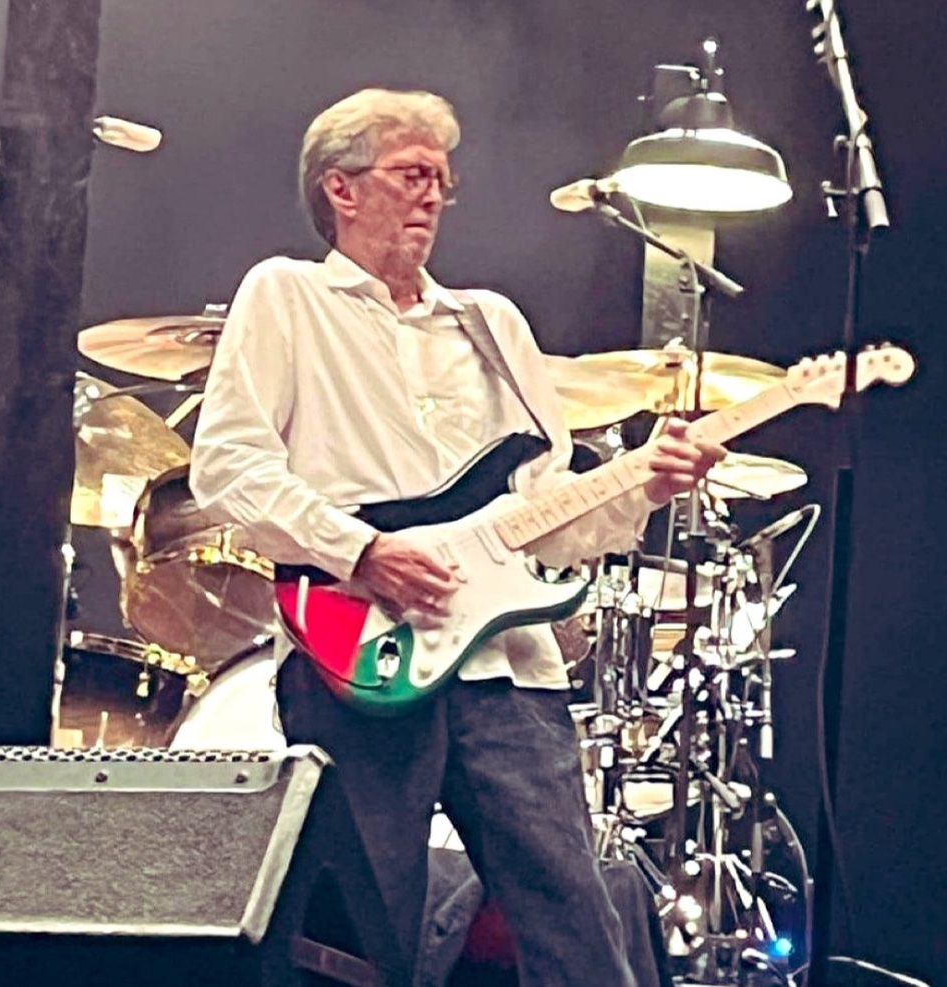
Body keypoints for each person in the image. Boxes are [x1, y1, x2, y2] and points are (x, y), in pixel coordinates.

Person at [190, 87, 725, 987]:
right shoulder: (285, 296)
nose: (433, 195)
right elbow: (229, 466)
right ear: (341, 189)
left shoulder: (494, 323)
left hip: (508, 668)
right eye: (410, 174)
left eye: (442, 179)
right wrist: (360, 551)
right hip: (356, 655)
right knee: (364, 945)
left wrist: (643, 487)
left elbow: (547, 512)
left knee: (578, 935)